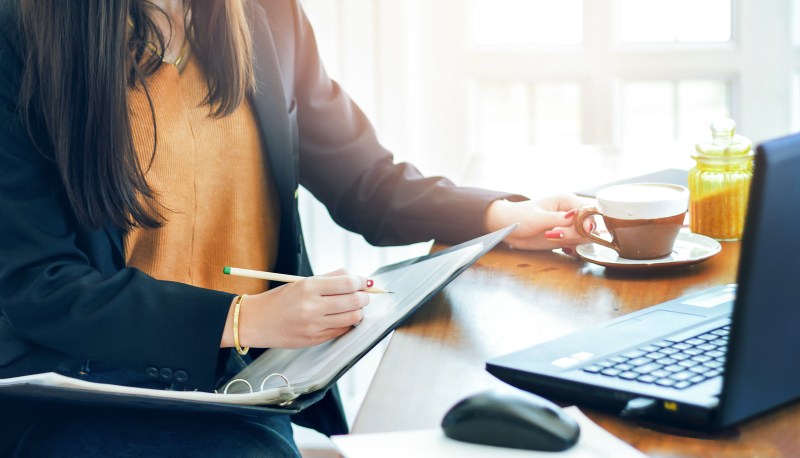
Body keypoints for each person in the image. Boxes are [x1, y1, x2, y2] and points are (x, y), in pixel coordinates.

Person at [0, 0, 589, 455]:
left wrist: (500, 216)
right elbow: (36, 283)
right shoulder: (22, 31)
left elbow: (364, 180)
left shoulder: (264, 14)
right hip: (91, 391)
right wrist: (242, 317)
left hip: (252, 379)